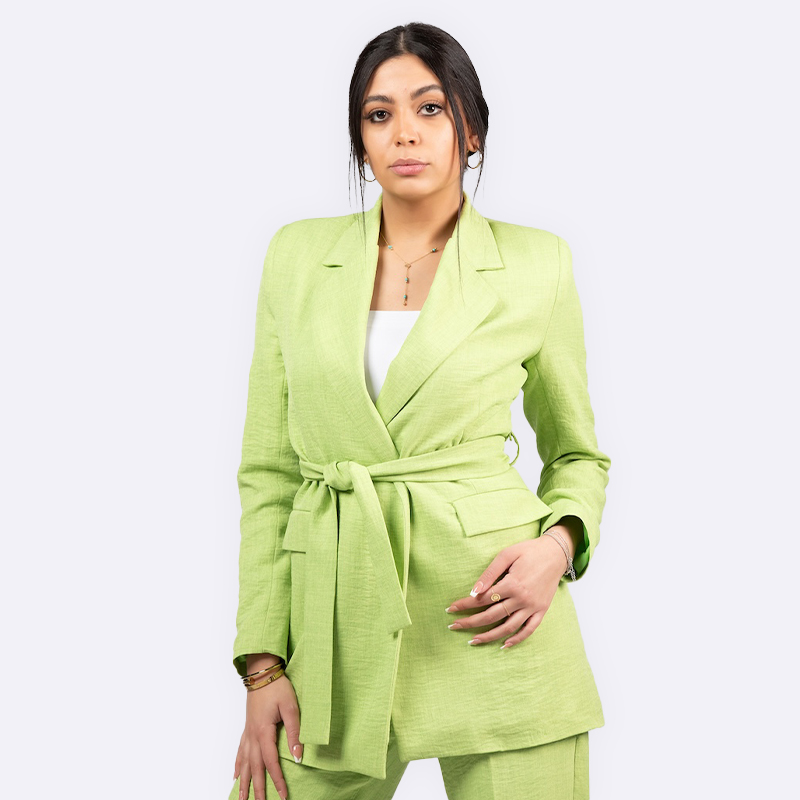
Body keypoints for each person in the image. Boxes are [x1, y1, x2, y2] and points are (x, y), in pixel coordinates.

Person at [228, 21, 610, 800]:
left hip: (496, 617)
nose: (404, 131)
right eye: (379, 114)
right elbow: (269, 472)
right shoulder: (295, 256)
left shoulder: (538, 263)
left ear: (471, 130)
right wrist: (262, 662)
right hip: (337, 626)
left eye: (430, 108)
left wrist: (558, 546)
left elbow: (576, 453)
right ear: (360, 139)